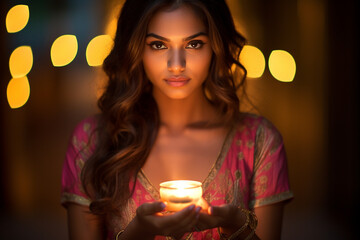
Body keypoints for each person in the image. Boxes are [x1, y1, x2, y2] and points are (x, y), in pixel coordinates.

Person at [61, 0, 293, 239]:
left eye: (194, 44)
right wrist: (136, 234)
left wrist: (235, 223)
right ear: (135, 49)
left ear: (216, 46)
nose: (176, 65)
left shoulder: (259, 141)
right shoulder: (91, 140)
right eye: (158, 45)